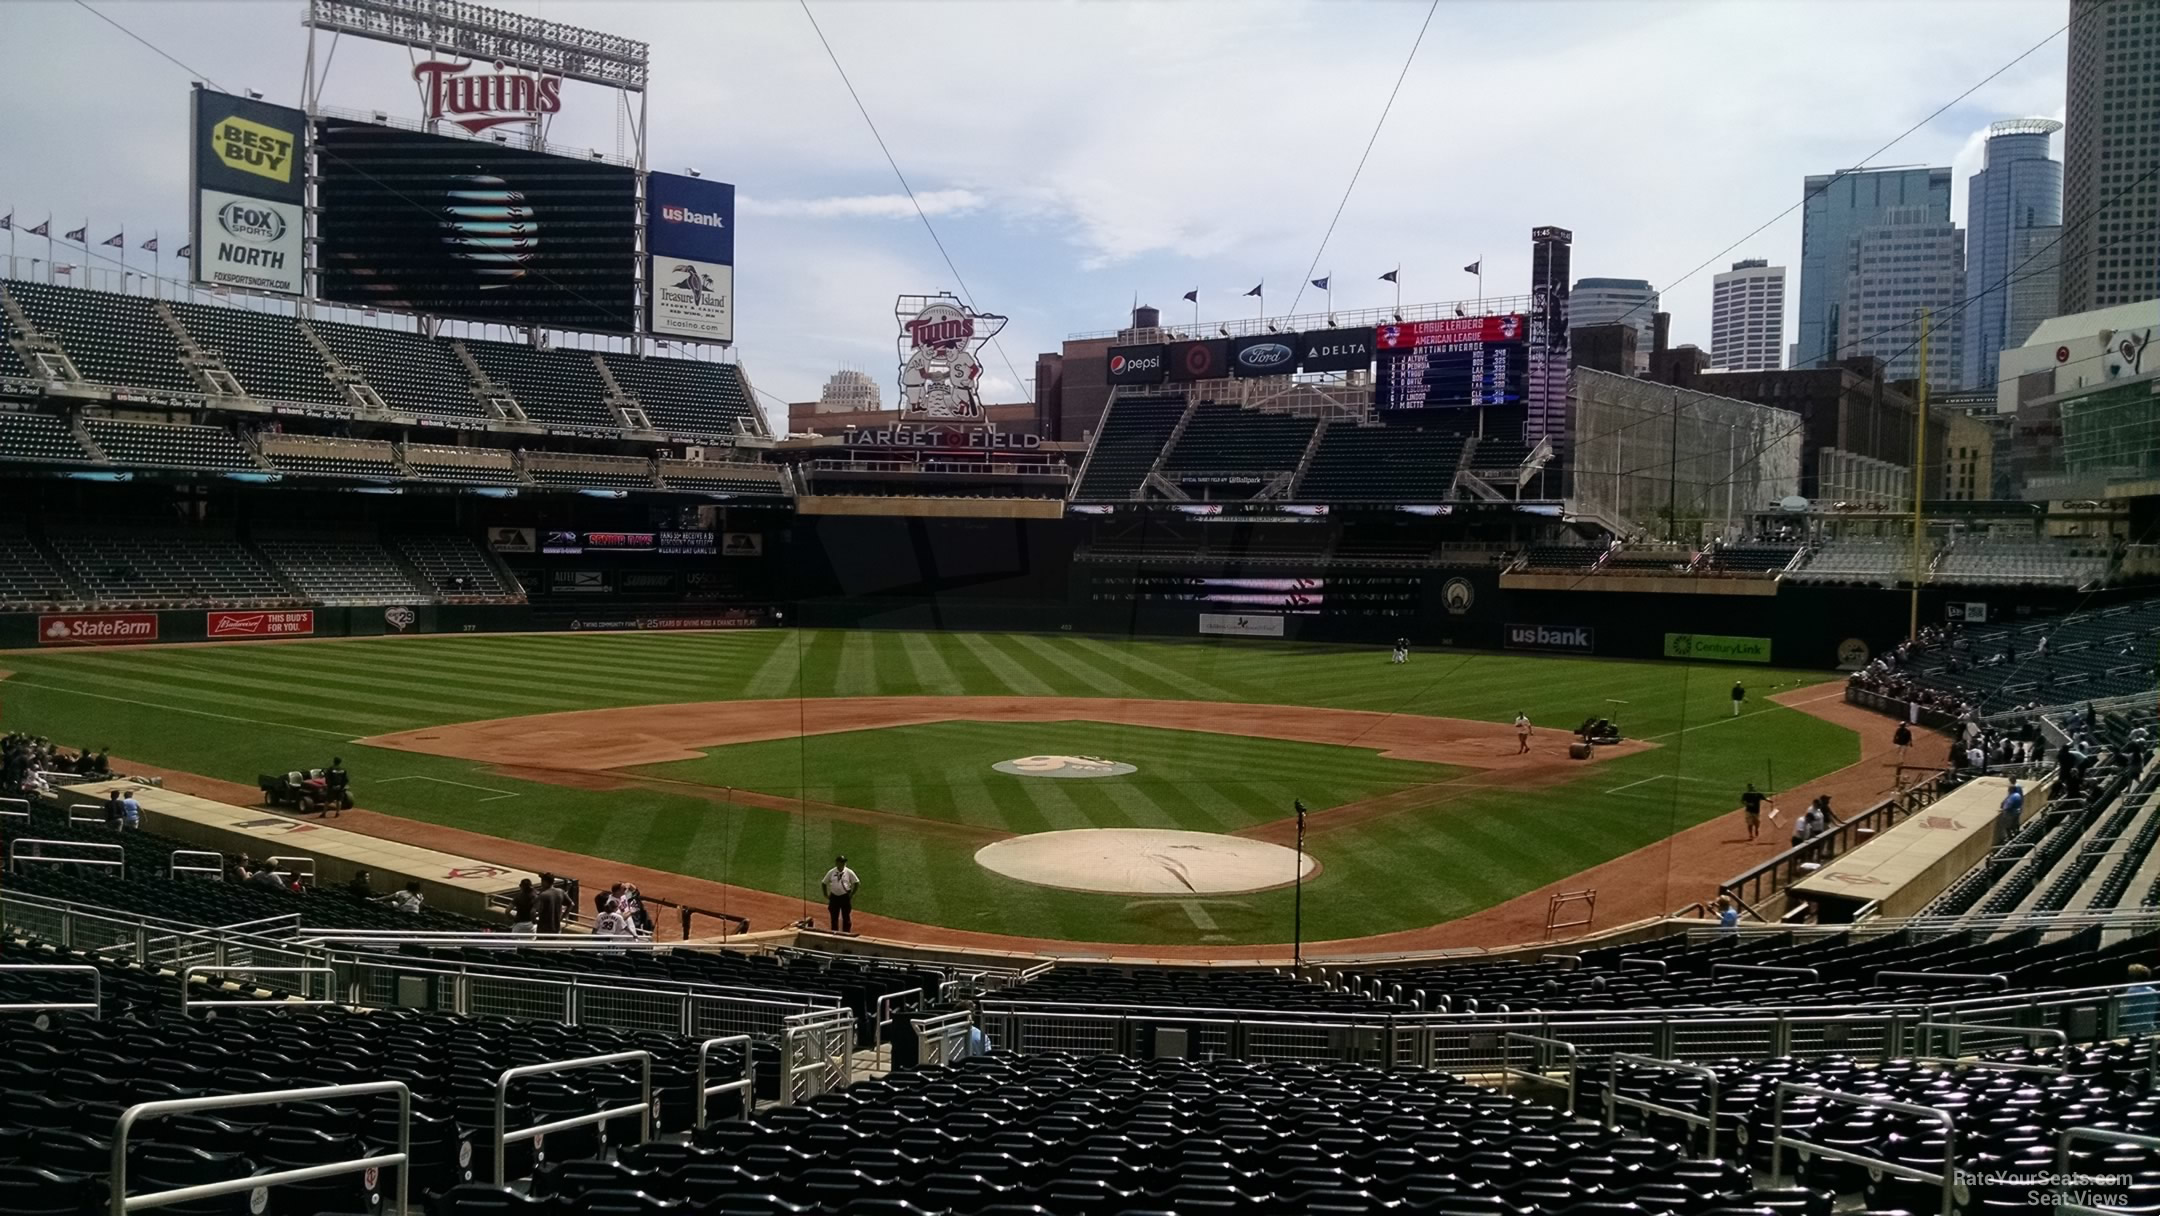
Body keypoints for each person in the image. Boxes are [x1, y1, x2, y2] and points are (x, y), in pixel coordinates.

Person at [822, 855, 861, 933]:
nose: (843, 864)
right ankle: (834, 933)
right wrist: (826, 894)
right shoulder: (831, 872)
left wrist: (852, 894)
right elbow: (824, 883)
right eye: (841, 862)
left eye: (844, 862)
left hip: (845, 897)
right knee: (834, 917)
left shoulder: (849, 872)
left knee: (846, 917)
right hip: (834, 897)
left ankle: (846, 934)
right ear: (837, 863)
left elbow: (857, 882)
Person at [2126, 964, 2157, 1036]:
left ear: (2132, 977)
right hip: (2149, 1027)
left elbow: (2122, 1012)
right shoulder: (2152, 990)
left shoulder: (2131, 990)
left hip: (2132, 1029)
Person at [1998, 779, 2025, 846]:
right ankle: (2017, 834)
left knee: (2008, 826)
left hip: (2011, 813)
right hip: (2017, 811)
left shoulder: (2012, 797)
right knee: (2015, 824)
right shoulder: (2017, 795)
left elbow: (2008, 806)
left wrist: (2003, 809)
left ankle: (2011, 839)